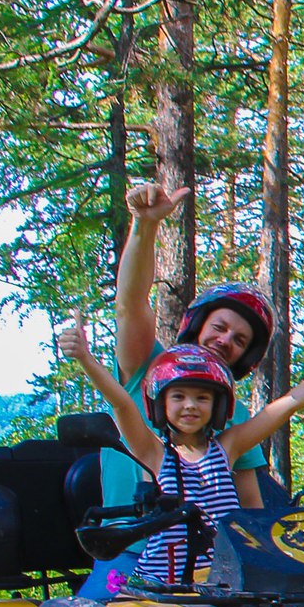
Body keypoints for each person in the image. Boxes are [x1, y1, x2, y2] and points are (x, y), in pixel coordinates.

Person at [59, 322, 304, 589]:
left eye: (202, 397)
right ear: (160, 404)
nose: (190, 405)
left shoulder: (227, 447)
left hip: (226, 580)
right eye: (179, 396)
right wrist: (86, 359)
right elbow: (122, 404)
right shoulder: (153, 453)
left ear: (218, 406)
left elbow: (288, 404)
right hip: (166, 584)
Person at [99, 181, 279, 507]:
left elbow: (250, 506)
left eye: (239, 339)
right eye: (219, 327)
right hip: (125, 550)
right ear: (197, 325)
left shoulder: (235, 414)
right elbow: (130, 305)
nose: (225, 340)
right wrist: (145, 225)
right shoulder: (147, 365)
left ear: (247, 355)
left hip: (202, 557)